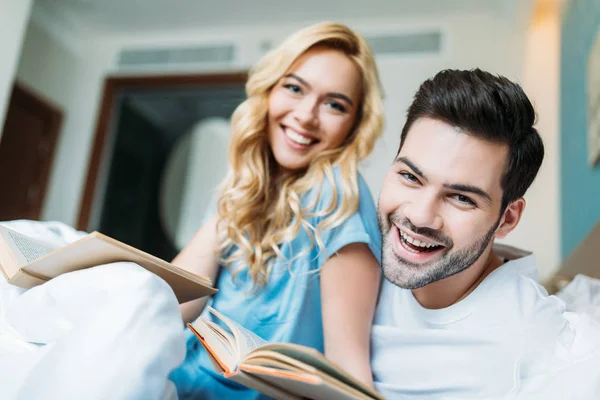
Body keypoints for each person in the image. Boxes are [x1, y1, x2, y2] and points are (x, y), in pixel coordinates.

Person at [169, 22, 385, 400]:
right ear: (269, 90)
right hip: (182, 384)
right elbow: (174, 304)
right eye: (294, 88)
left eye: (334, 104)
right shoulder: (244, 184)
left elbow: (349, 366)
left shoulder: (339, 197)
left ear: (353, 126)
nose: (306, 115)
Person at [371, 68, 600, 399]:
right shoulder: (354, 252)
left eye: (462, 198)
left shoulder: (541, 348)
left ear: (508, 218)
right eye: (410, 177)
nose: (420, 215)